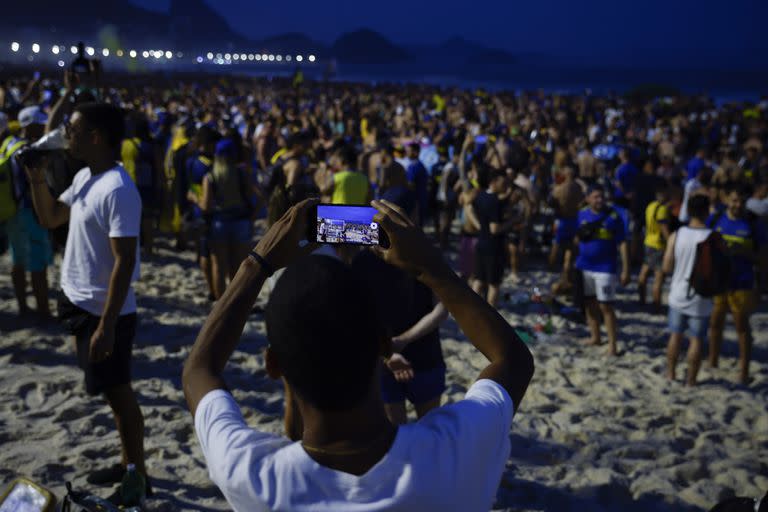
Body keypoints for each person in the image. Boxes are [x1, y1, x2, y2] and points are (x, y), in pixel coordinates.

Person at [182, 198, 534, 511]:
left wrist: (256, 264)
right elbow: (511, 359)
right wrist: (433, 269)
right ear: (383, 344)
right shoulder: (453, 454)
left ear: (273, 365)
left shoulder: (253, 477)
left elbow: (200, 369)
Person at [25, 103, 148, 498]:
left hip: (103, 311)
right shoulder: (83, 176)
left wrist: (108, 325)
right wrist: (36, 178)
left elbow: (125, 260)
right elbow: (50, 218)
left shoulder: (118, 189)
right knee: (111, 393)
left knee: (120, 393)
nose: (67, 135)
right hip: (81, 305)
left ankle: (137, 477)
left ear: (96, 137)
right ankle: (128, 462)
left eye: (73, 129)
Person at [707, 185, 768, 384]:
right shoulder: (716, 219)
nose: (738, 205)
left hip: (743, 281)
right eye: (734, 201)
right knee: (715, 323)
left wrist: (744, 254)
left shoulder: (753, 223)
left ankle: (744, 370)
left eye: (741, 201)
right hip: (719, 281)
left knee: (741, 326)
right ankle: (713, 361)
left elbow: (763, 257)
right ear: (726, 200)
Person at [190, 138, 254, 300]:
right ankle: (235, 301)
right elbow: (255, 198)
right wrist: (251, 216)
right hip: (240, 221)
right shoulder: (241, 173)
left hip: (220, 223)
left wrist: (194, 198)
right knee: (238, 267)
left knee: (219, 266)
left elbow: (206, 206)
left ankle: (221, 303)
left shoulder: (210, 177)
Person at [7, 105, 53, 318]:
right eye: (40, 123)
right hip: (30, 211)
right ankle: (43, 311)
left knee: (18, 261)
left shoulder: (8, 144)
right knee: (38, 264)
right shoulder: (28, 151)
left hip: (12, 211)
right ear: (30, 125)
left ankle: (23, 307)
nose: (44, 126)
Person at [662, 194, 713, 386]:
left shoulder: (678, 234)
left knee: (675, 336)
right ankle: (691, 380)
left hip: (679, 292)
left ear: (689, 211)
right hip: (702, 295)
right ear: (707, 211)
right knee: (697, 340)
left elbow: (666, 267)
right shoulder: (713, 237)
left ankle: (671, 374)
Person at [575, 186, 630, 356]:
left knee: (606, 306)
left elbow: (623, 244)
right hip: (584, 266)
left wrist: (626, 269)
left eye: (601, 196)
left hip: (605, 268)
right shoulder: (581, 214)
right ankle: (595, 337)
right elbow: (576, 238)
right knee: (589, 303)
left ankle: (612, 345)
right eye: (595, 197)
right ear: (588, 199)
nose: (599, 200)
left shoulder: (614, 217)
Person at [466, 168, 513, 307]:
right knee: (494, 284)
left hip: (481, 243)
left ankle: (472, 310)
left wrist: (480, 226)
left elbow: (468, 209)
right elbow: (495, 229)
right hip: (494, 247)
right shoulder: (494, 201)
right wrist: (514, 220)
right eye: (502, 182)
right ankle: (491, 317)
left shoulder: (480, 196)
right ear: (493, 182)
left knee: (478, 280)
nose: (504, 185)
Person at [549, 166, 584, 294]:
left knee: (556, 244)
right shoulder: (578, 187)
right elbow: (581, 202)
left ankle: (551, 266)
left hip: (562, 220)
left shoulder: (558, 188)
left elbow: (551, 203)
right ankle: (566, 272)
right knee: (570, 249)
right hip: (573, 220)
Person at [637, 183, 670, 309]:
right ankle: (656, 305)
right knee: (658, 277)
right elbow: (664, 228)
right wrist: (670, 243)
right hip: (658, 244)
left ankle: (641, 300)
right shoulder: (662, 209)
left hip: (648, 241)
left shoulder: (650, 206)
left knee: (644, 272)